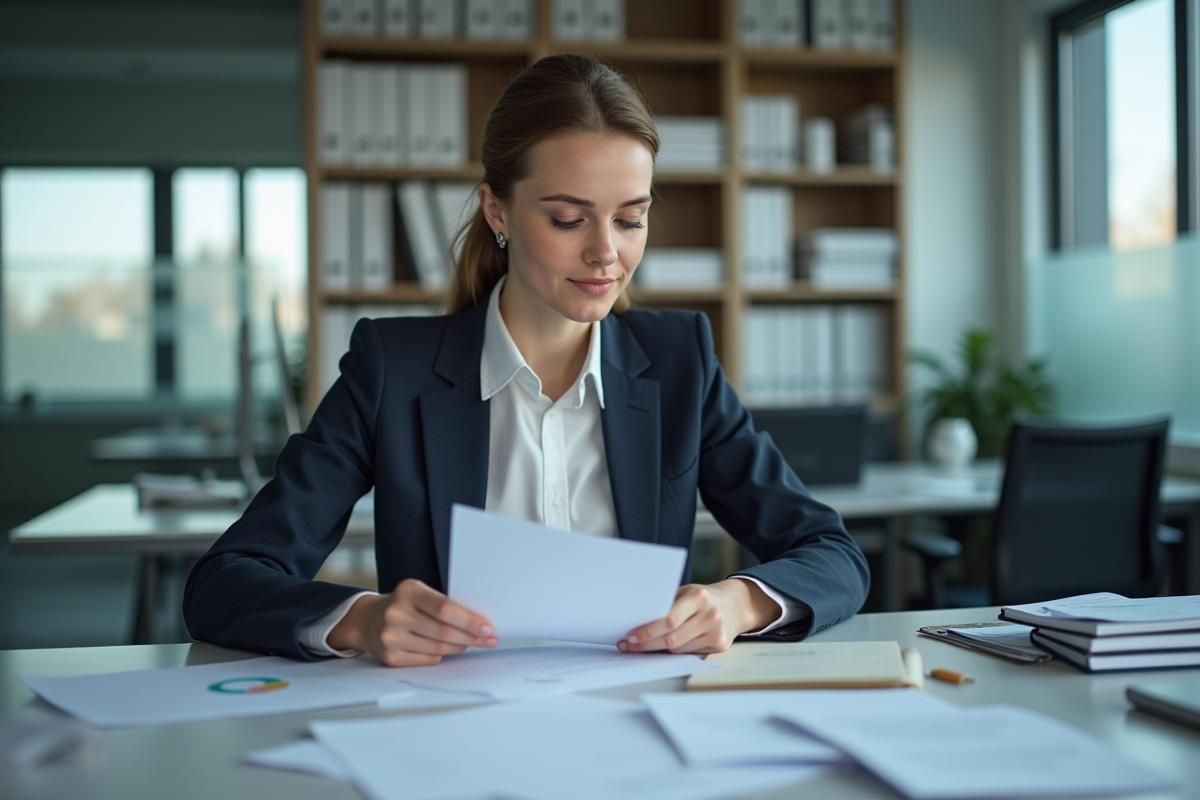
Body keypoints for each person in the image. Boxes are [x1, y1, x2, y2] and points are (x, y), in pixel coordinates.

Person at [183, 54, 869, 666]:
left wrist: (737, 602)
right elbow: (224, 581)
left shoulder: (678, 363)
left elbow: (833, 556)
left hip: (640, 725)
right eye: (568, 219)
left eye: (630, 218)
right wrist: (361, 619)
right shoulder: (392, 369)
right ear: (498, 211)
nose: (606, 253)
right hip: (448, 731)